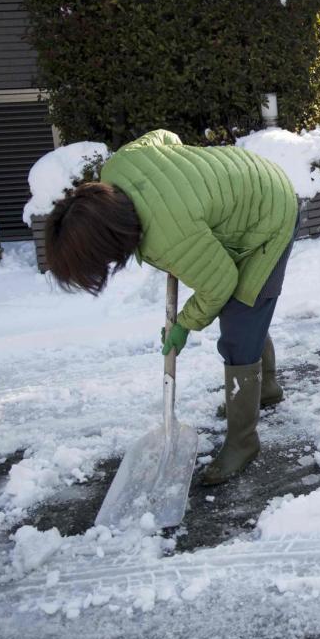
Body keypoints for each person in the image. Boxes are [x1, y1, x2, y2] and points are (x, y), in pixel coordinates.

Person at [45, 129, 299, 485]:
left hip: (269, 215)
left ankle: (244, 442)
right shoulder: (119, 168)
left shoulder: (168, 238)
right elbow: (165, 138)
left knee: (240, 324)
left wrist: (184, 323)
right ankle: (266, 389)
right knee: (247, 312)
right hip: (244, 180)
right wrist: (182, 180)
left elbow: (219, 284)